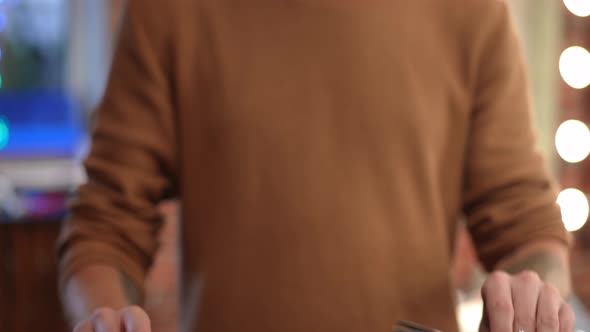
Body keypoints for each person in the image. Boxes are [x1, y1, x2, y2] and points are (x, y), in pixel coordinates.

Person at [57, 0, 575, 331]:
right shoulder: (169, 10)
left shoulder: (473, 10)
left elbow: (523, 224)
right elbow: (106, 223)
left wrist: (529, 307)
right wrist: (108, 318)